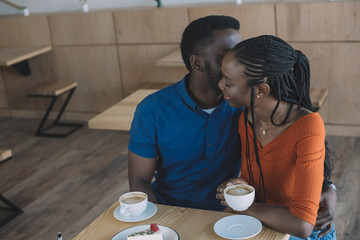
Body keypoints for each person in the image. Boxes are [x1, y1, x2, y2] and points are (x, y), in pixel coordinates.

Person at [128, 15, 336, 236]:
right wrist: (160, 229)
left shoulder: (249, 106)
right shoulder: (152, 110)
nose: (238, 59)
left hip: (234, 216)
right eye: (225, 56)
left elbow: (300, 152)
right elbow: (139, 181)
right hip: (175, 214)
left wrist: (328, 189)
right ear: (197, 63)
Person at [216, 35, 336, 239]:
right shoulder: (246, 118)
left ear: (261, 90)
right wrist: (240, 187)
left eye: (228, 82)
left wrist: (242, 207)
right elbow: (263, 180)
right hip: (261, 225)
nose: (220, 85)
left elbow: (302, 224)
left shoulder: (308, 126)